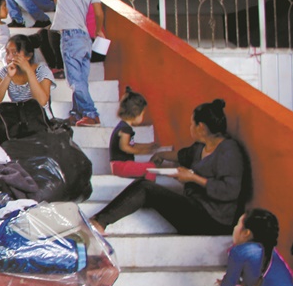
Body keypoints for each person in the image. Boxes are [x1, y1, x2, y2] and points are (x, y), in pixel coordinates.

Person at [92, 99, 247, 237]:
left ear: (201, 127)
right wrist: (163, 155)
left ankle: (99, 222)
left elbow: (230, 191)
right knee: (144, 186)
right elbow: (183, 155)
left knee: (146, 188)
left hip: (215, 221)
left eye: (192, 124)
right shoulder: (201, 147)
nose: (190, 127)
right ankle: (99, 221)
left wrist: (193, 178)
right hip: (195, 209)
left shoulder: (229, 151)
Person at [51, 0, 105, 126]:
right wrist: (98, 30)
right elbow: (98, 13)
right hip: (84, 37)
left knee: (74, 80)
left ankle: (91, 113)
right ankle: (76, 113)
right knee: (81, 79)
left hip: (70, 35)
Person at [0, 35, 54, 107]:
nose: (9, 57)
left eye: (14, 53)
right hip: (17, 115)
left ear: (28, 56)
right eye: (7, 52)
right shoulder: (5, 71)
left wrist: (29, 71)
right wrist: (8, 76)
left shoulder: (42, 70)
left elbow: (42, 102)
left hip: (38, 116)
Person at [109, 87, 159, 180]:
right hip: (120, 166)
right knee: (151, 167)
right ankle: (148, 189)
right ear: (136, 112)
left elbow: (132, 144)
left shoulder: (126, 128)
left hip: (122, 165)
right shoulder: (125, 129)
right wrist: (142, 152)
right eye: (142, 114)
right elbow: (125, 147)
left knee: (149, 166)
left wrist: (148, 146)